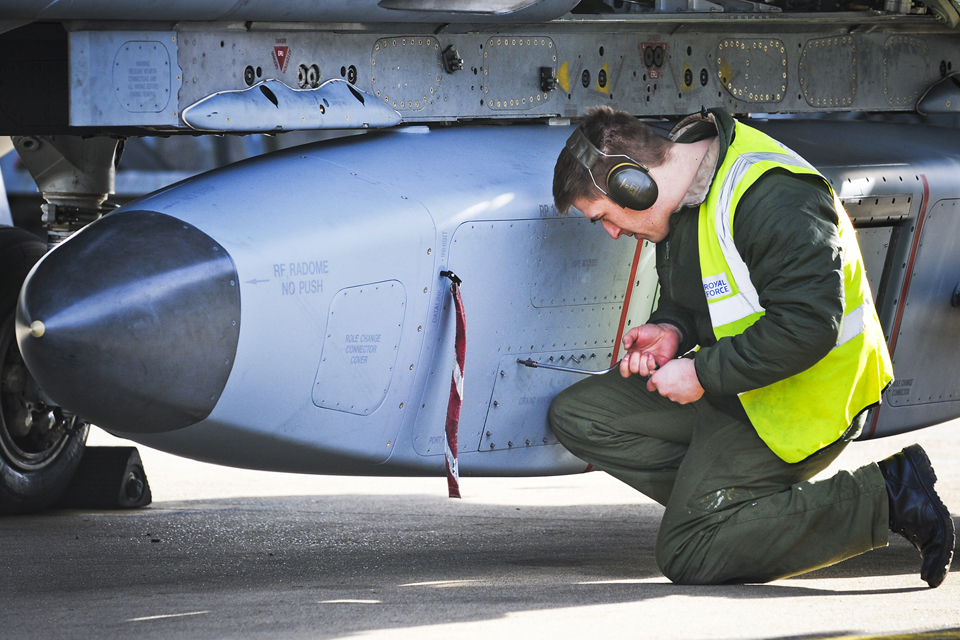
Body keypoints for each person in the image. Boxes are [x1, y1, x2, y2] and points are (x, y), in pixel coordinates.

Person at [548, 106, 955, 586]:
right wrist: (672, 331)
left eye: (604, 218)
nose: (612, 232)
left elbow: (808, 325)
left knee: (688, 550)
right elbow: (700, 298)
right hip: (742, 383)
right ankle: (733, 506)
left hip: (806, 399)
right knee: (580, 416)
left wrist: (699, 374)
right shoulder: (684, 199)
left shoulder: (773, 195)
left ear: (630, 184)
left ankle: (888, 494)